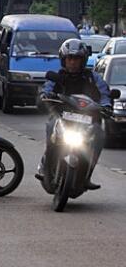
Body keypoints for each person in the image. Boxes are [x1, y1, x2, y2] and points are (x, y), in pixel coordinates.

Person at [36, 38, 111, 190]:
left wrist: (106, 106)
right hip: (62, 118)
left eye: (77, 59)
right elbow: (47, 89)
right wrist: (45, 96)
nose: (73, 62)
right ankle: (46, 165)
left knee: (100, 135)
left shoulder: (92, 77)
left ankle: (87, 173)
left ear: (83, 60)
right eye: (70, 58)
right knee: (51, 126)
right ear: (64, 59)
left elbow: (104, 93)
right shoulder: (58, 77)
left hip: (87, 121)